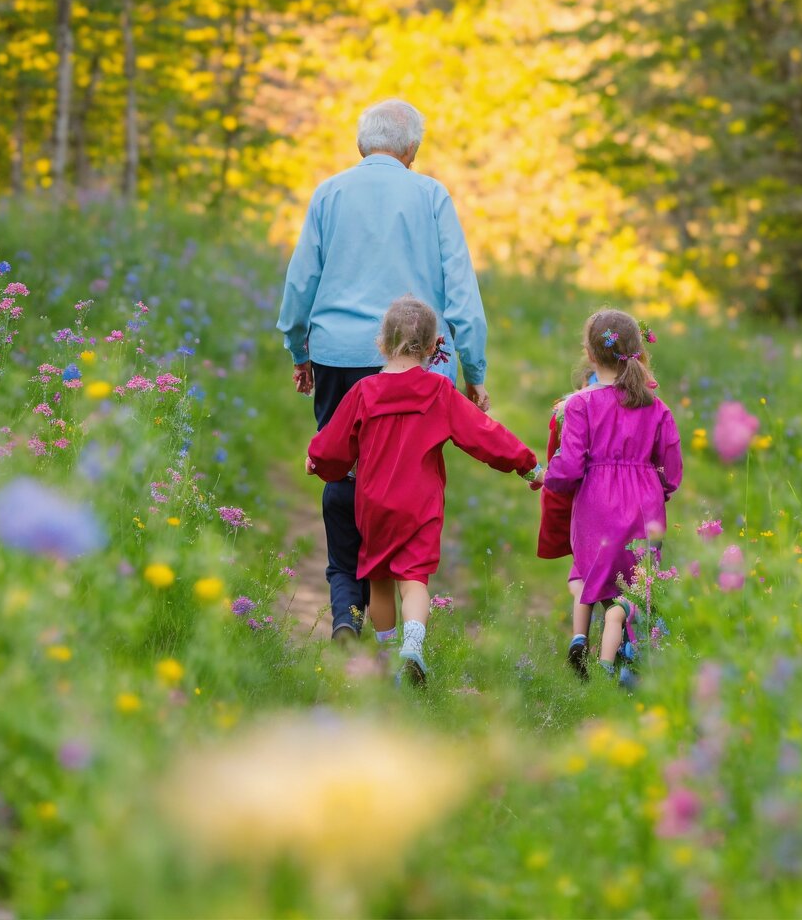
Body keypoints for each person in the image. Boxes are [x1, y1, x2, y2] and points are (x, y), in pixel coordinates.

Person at [276, 100, 491, 643]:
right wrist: (473, 367)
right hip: (423, 359)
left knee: (343, 471)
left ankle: (349, 608)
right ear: (412, 151)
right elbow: (462, 290)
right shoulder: (431, 195)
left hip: (339, 354)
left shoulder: (330, 192)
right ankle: (401, 614)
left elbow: (301, 280)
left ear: (360, 145)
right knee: (406, 478)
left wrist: (298, 346)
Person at [305, 296, 540, 684]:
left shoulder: (364, 392)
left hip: (374, 503)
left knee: (378, 577)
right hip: (420, 504)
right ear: (433, 348)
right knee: (413, 579)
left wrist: (316, 461)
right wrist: (527, 465)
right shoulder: (439, 392)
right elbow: (485, 436)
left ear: (381, 343)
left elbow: (333, 447)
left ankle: (385, 651)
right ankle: (412, 647)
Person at [543, 309, 682, 679]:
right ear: (639, 353)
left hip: (597, 503)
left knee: (597, 574)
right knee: (637, 582)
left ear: (590, 354)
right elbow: (671, 465)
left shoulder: (579, 404)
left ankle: (593, 649)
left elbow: (570, 465)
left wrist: (547, 478)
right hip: (646, 504)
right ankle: (619, 657)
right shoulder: (656, 407)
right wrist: (660, 490)